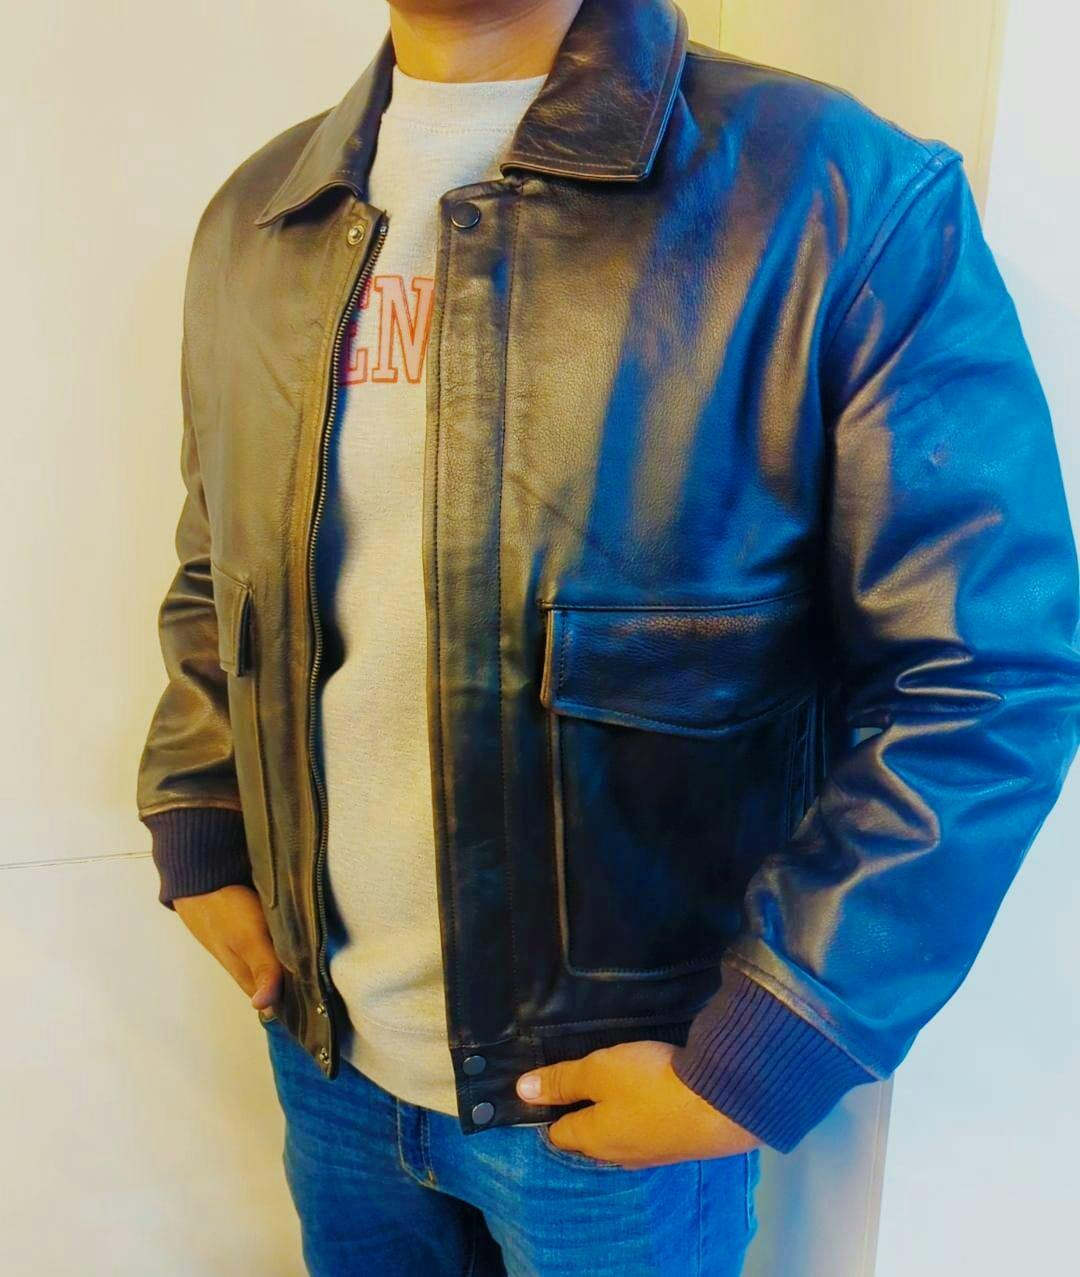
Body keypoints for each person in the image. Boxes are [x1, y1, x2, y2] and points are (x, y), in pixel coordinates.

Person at [135, 0, 1080, 1273]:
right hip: (327, 1059)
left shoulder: (834, 197)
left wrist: (775, 1041)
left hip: (622, 1108)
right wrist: (197, 810)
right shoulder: (260, 218)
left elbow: (985, 673)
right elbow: (218, 569)